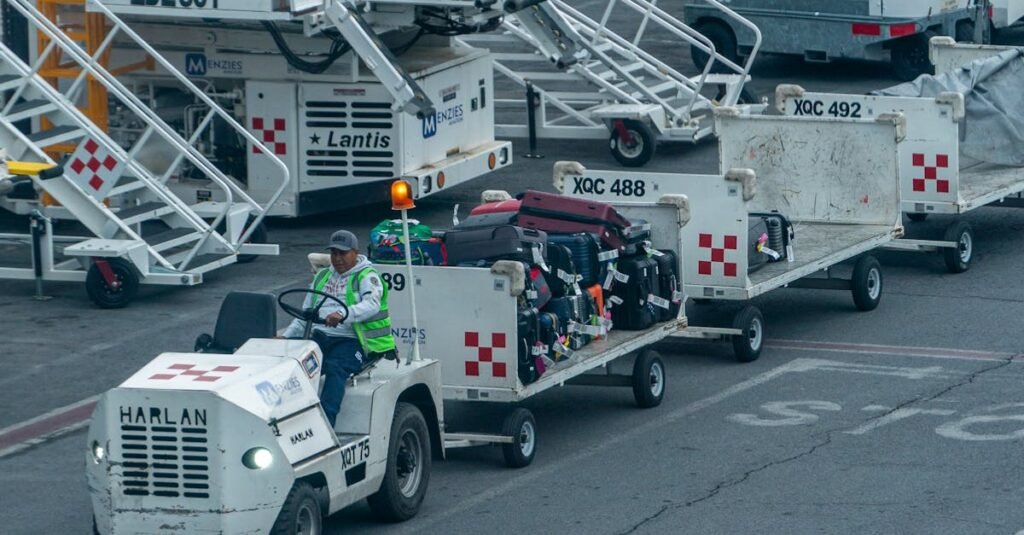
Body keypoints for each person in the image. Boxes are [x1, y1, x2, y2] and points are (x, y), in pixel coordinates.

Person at [282, 230, 397, 427]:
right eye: (334, 253)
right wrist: (285, 338)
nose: (337, 258)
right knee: (292, 365)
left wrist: (343, 315)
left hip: (352, 341)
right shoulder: (322, 276)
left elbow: (372, 304)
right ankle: (288, 422)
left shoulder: (367, 276)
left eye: (343, 253)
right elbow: (305, 315)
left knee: (335, 368)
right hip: (320, 336)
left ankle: (326, 425)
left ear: (355, 252)